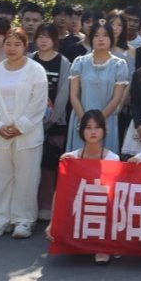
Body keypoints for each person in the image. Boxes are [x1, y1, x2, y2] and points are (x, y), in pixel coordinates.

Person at [0, 27, 49, 240]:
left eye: (17, 44)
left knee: (26, 178)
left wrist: (21, 126)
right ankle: (0, 219)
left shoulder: (36, 70)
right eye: (8, 44)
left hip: (27, 135)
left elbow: (38, 103)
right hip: (0, 134)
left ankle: (23, 220)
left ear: (25, 46)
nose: (12, 48)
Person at [46, 110, 119, 265]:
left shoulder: (112, 158)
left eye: (97, 127)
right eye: (88, 127)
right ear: (81, 131)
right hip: (78, 208)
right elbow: (60, 193)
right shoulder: (70, 158)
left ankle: (104, 245)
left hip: (102, 209)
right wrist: (53, 222)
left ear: (104, 130)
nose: (93, 132)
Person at [66, 21, 129, 156]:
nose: (101, 39)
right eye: (96, 35)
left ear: (111, 38)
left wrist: (98, 122)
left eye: (105, 35)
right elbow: (74, 96)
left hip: (106, 120)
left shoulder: (119, 65)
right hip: (81, 118)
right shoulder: (80, 62)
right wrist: (86, 122)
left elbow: (116, 98)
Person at [30, 24, 72, 220]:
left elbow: (63, 94)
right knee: (30, 166)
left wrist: (50, 120)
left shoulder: (64, 63)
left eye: (47, 37)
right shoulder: (29, 59)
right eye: (40, 37)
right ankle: (29, 204)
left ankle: (46, 205)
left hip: (55, 124)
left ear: (54, 40)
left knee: (49, 165)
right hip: (29, 122)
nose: (43, 40)